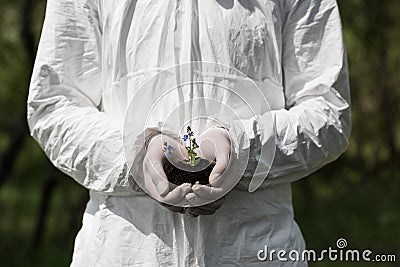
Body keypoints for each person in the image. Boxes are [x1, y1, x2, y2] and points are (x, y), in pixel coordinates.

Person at [27, 0, 351, 266]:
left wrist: (242, 150)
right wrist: (136, 155)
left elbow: (329, 111)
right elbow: (53, 104)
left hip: (257, 253)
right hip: (120, 253)